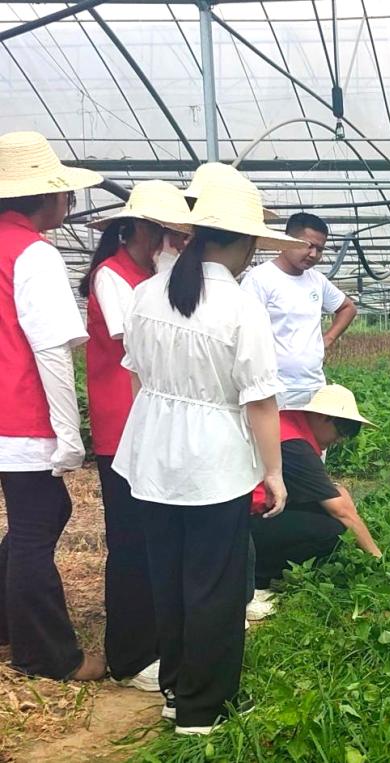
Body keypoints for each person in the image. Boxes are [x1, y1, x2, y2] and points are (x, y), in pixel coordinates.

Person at [113, 165, 303, 735]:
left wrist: (158, 429)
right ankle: (204, 708)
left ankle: (175, 690)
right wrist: (273, 471)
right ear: (244, 243)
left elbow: (136, 377)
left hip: (152, 456)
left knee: (168, 579)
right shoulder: (240, 306)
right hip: (213, 462)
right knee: (214, 586)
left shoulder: (146, 294)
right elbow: (260, 401)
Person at [0, 131, 106, 681]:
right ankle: (46, 655)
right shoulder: (33, 252)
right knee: (37, 524)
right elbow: (50, 348)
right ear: (43, 195)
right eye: (63, 191)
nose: (68, 200)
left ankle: (7, 625)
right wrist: (68, 433)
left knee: (36, 517)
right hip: (18, 412)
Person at [80, 180, 193, 692]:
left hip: (151, 423)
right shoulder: (112, 276)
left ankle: (155, 642)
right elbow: (142, 342)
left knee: (154, 537)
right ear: (137, 230)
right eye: (167, 233)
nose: (173, 243)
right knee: (129, 541)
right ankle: (128, 656)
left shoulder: (146, 277)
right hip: (122, 426)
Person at [250, 385, 381, 590]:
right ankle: (257, 575)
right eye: (341, 431)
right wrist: (377, 559)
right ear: (321, 416)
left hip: (241, 515)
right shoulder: (294, 445)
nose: (339, 440)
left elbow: (328, 491)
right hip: (244, 524)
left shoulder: (288, 423)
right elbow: (342, 511)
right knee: (333, 529)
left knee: (324, 508)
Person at [241, 212, 358, 410]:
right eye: (308, 245)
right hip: (275, 388)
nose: (314, 254)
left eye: (320, 249)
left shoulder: (317, 281)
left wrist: (328, 339)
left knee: (311, 432)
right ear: (287, 241)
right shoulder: (260, 279)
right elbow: (244, 331)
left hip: (314, 386)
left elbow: (348, 308)